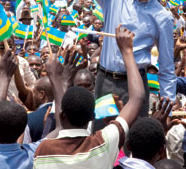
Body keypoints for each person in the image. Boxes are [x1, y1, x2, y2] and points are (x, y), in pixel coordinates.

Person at [33, 25, 145, 168]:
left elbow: (59, 127)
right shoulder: (104, 142)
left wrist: (55, 78)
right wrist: (127, 51)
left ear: (62, 116)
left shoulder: (43, 151)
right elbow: (137, 98)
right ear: (93, 116)